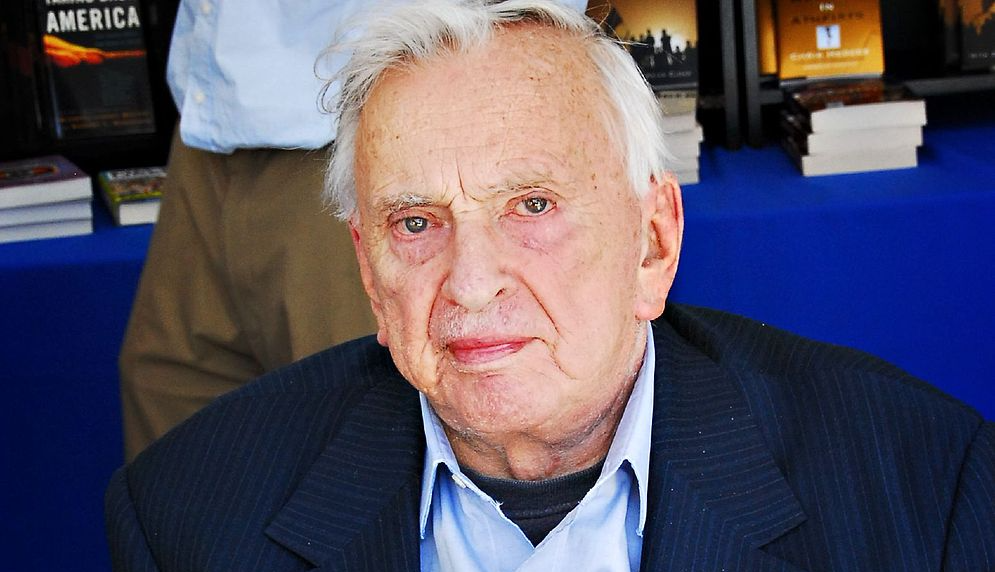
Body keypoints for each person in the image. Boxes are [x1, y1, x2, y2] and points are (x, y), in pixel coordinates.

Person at [105, 1, 995, 570]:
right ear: (369, 279)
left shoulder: (929, 493)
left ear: (653, 242)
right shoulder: (181, 520)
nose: (474, 283)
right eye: (415, 223)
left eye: (531, 205)